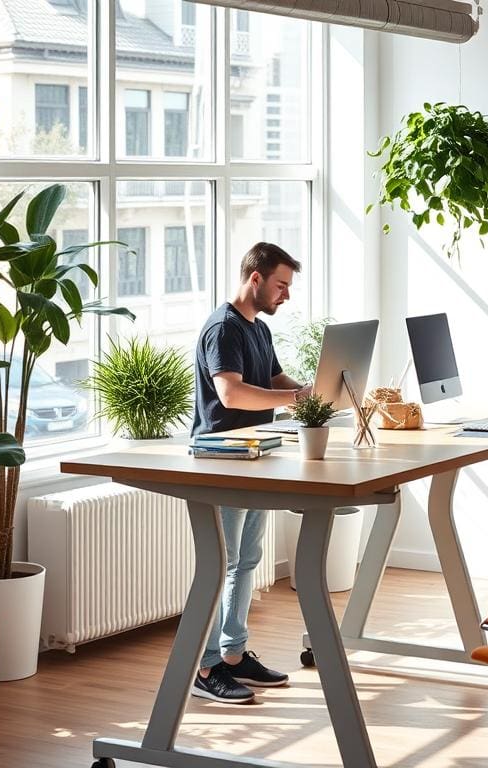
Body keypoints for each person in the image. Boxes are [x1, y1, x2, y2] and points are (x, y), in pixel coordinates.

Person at [190, 242, 312, 704]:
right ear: (255, 279)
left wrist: (306, 390)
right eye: (281, 285)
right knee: (218, 566)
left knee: (246, 562)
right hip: (220, 458)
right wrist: (293, 401)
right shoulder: (224, 328)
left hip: (253, 453)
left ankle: (235, 655)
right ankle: (204, 668)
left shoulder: (257, 328)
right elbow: (232, 395)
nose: (286, 295)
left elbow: (274, 379)